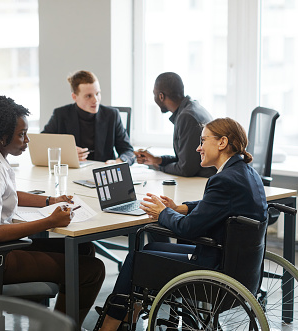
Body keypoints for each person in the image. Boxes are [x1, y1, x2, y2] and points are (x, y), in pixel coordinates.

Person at [97, 117, 268, 330]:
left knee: (135, 258)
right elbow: (218, 205)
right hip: (239, 266)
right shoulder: (246, 172)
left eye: (203, 140)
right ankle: (128, 317)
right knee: (151, 248)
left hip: (213, 270)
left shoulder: (223, 180)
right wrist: (182, 208)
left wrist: (163, 213)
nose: (198, 148)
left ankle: (109, 324)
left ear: (222, 143)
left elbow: (187, 228)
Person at [0, 95, 105, 326]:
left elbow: (10, 195)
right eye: (21, 134)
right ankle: (59, 328)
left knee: (84, 249)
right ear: (1, 136)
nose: (27, 140)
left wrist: (50, 200)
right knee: (91, 270)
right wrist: (49, 222)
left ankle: (56, 322)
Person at [42, 70, 135, 165]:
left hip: (103, 173)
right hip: (72, 173)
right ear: (74, 97)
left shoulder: (112, 115)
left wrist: (118, 162)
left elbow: (129, 152)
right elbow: (41, 145)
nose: (95, 100)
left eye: (97, 93)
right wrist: (66, 154)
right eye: (88, 96)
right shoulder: (60, 114)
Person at [134, 72, 215, 177]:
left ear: (161, 96)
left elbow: (186, 169)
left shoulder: (186, 117)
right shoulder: (192, 107)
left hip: (202, 181)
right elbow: (185, 159)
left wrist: (159, 167)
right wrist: (157, 160)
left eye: (154, 94)